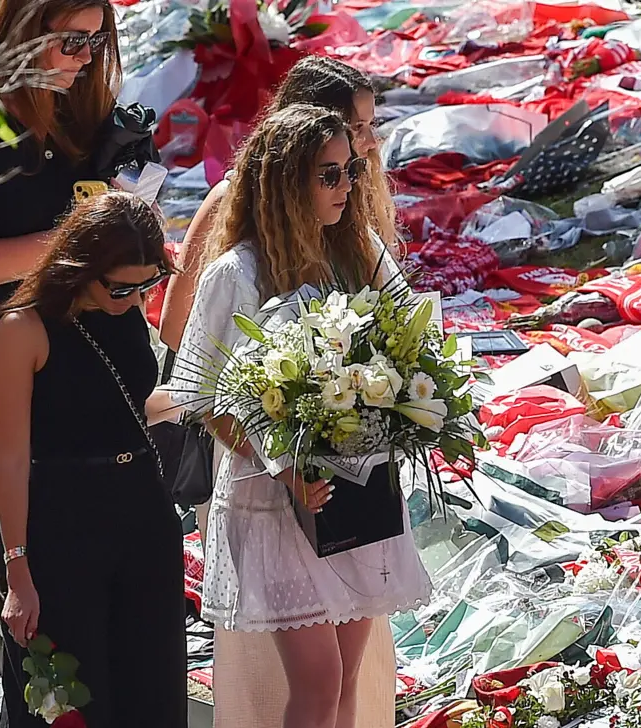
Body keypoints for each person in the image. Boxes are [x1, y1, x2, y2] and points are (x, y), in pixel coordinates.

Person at [0, 0, 155, 722]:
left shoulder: (84, 109)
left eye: (97, 40)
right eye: (71, 41)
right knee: (37, 563)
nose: (85, 56)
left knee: (105, 560)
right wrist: (81, 238)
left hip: (91, 351)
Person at [169, 104, 430, 728]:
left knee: (341, 689)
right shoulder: (237, 271)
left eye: (351, 172)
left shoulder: (357, 253)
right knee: (318, 685)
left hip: (357, 493)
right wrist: (283, 464)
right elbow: (200, 397)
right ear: (288, 181)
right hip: (272, 501)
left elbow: (408, 346)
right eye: (330, 175)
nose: (347, 187)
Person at [0, 191, 186, 727]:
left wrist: (209, 393)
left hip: (142, 508)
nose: (135, 296)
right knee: (76, 694)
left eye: (148, 283)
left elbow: (129, 404)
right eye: (121, 284)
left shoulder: (125, 311)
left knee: (154, 686)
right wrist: (17, 570)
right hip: (64, 521)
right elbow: (9, 457)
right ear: (81, 265)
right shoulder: (21, 330)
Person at [157, 55, 398, 353]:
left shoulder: (347, 198)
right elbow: (176, 330)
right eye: (357, 126)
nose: (371, 140)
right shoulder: (230, 204)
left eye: (372, 124)